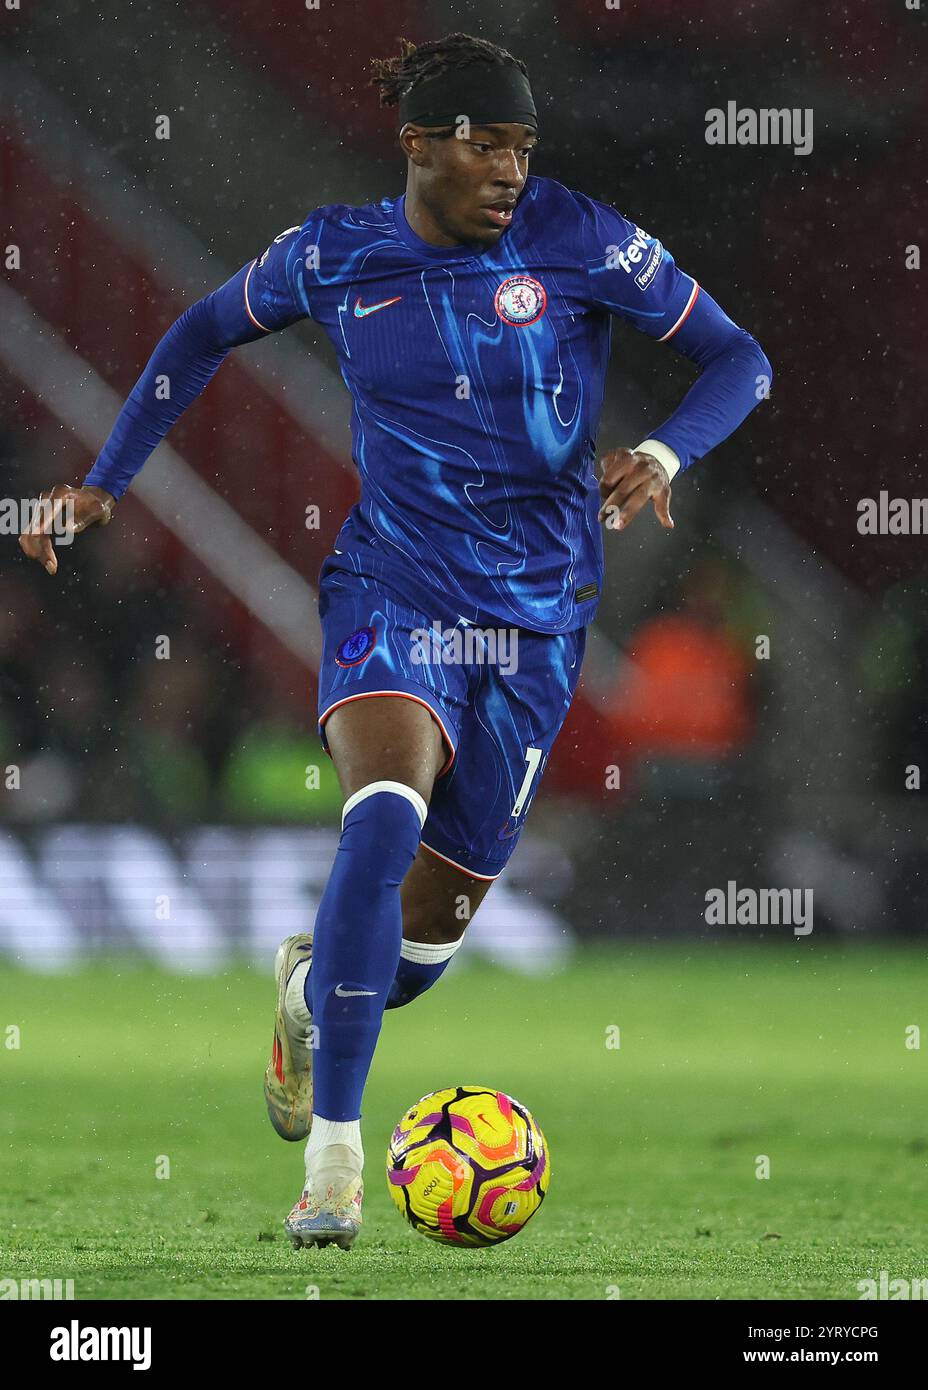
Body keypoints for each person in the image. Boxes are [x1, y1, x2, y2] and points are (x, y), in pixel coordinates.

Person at [19, 32, 771, 1249]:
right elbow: (200, 333)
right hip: (394, 592)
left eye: (524, 148)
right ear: (420, 144)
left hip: (534, 629)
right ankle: (334, 1164)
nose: (511, 171)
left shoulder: (580, 238)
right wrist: (106, 481)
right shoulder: (333, 253)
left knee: (416, 955)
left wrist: (663, 449)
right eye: (488, 147)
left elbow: (739, 357)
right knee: (381, 814)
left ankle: (311, 987)